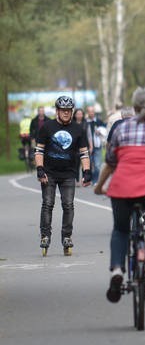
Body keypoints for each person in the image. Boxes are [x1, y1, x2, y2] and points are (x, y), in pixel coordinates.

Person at [94, 87, 145, 302]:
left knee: (121, 229)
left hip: (123, 186)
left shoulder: (121, 129)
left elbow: (110, 164)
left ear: (135, 106)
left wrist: (99, 186)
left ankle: (117, 270)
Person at [34, 96, 92, 254]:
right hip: (49, 172)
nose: (66, 113)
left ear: (72, 111)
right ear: (57, 111)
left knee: (68, 205)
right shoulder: (47, 127)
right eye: (63, 110)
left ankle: (67, 236)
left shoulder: (78, 129)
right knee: (48, 204)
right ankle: (45, 235)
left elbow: (84, 153)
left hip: (68, 173)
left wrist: (87, 171)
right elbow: (39, 150)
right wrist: (40, 169)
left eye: (69, 110)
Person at [85, 105, 106, 178]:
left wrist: (99, 132)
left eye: (92, 111)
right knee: (89, 164)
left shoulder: (99, 121)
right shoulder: (85, 122)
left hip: (97, 145)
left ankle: (96, 179)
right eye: (90, 112)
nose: (91, 113)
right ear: (87, 112)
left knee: (97, 165)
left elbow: (104, 131)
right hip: (87, 146)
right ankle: (90, 178)